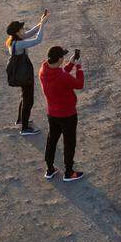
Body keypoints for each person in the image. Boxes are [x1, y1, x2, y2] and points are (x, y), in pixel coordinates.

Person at [40, 45, 85, 181]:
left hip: (52, 113)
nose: (64, 58)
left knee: (52, 140)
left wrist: (70, 63)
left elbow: (61, 74)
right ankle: (69, 172)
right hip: (67, 115)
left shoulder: (43, 70)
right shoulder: (62, 77)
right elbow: (79, 84)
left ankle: (50, 169)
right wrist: (79, 67)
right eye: (63, 57)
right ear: (59, 59)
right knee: (69, 143)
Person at [7, 11, 48, 135]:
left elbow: (32, 32)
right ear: (17, 32)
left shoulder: (14, 40)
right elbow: (38, 40)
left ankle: (21, 120)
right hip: (24, 74)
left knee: (24, 96)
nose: (24, 29)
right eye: (21, 28)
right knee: (28, 100)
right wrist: (43, 25)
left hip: (20, 73)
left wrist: (42, 22)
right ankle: (25, 128)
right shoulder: (20, 43)